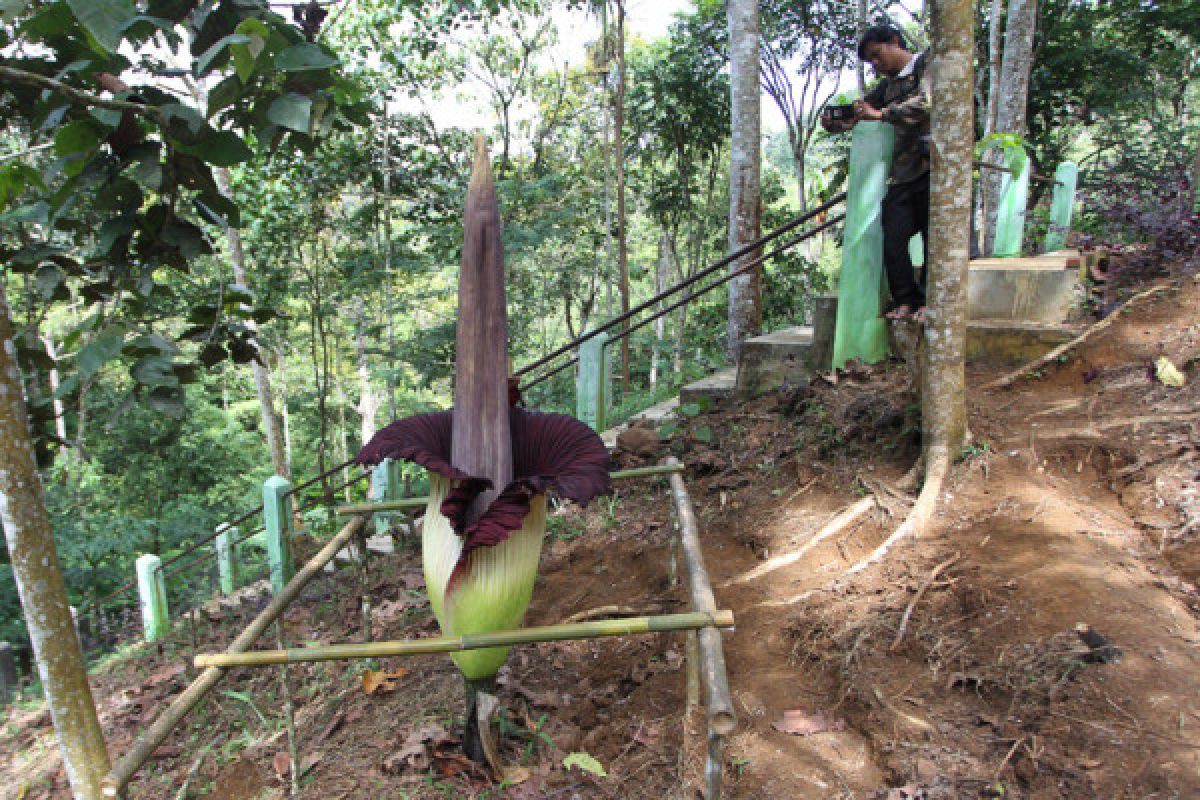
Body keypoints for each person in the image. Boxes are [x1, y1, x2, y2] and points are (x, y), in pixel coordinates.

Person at [822, 25, 931, 320]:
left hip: (933, 167)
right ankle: (906, 300)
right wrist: (839, 122)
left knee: (933, 237)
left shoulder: (928, 64)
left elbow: (928, 104)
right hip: (902, 173)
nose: (876, 65)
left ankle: (928, 303)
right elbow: (863, 111)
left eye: (877, 55)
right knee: (893, 237)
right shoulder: (889, 86)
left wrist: (882, 114)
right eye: (870, 61)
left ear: (894, 42)